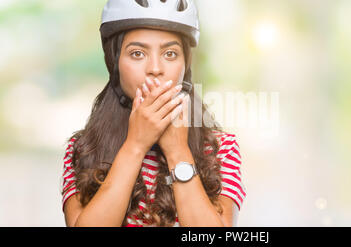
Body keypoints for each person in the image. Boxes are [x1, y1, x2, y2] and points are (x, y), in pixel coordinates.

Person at [61, 0, 246, 227]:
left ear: (185, 65)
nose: (155, 68)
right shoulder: (83, 148)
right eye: (137, 53)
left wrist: (178, 151)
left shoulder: (221, 149)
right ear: (114, 61)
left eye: (170, 53)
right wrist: (135, 145)